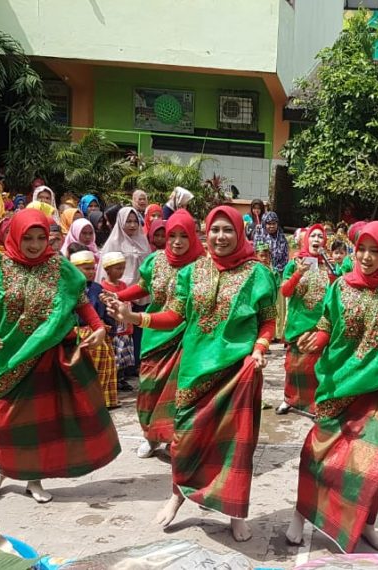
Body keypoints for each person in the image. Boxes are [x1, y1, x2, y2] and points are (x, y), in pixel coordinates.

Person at [107, 205, 274, 541]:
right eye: (215, 230)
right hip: (194, 369)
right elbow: (174, 315)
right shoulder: (192, 272)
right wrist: (136, 319)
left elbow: (267, 320)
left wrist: (259, 348)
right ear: (207, 233)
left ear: (239, 233)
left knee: (234, 447)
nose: (221, 237)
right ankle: (177, 496)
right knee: (184, 441)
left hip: (236, 372)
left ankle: (234, 511)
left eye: (228, 230)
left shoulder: (258, 274)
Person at [285, 221, 378, 553]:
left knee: (373, 461)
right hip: (338, 383)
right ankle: (300, 512)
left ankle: (367, 524)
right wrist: (316, 341)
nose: (366, 257)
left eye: (375, 250)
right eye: (362, 249)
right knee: (317, 452)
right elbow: (327, 324)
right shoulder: (341, 286)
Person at [0, 209, 118, 504]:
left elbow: (81, 304)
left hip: (49, 353)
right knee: (4, 420)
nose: (35, 244)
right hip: (7, 353)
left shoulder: (60, 268)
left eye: (41, 238)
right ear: (14, 235)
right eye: (28, 238)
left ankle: (33, 479)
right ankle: (1, 467)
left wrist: (98, 328)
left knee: (41, 421)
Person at [105, 210, 203, 459]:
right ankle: (151, 436)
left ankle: (173, 439)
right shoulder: (156, 260)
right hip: (153, 334)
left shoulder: (203, 267)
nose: (177, 242)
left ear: (193, 237)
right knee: (148, 389)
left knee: (178, 394)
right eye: (172, 236)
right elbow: (143, 287)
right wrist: (119, 295)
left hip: (184, 336)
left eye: (184, 236)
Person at [278, 224, 333, 415]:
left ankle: (315, 405)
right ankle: (288, 400)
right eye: (313, 236)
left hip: (320, 326)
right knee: (293, 367)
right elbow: (285, 291)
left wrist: (334, 273)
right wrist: (299, 272)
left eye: (321, 236)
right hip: (298, 324)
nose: (317, 239)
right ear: (306, 239)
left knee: (316, 369)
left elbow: (336, 293)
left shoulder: (329, 265)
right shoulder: (295, 263)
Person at [68, 248, 119, 408]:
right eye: (86, 268)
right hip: (79, 333)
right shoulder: (69, 289)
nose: (91, 271)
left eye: (92, 268)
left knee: (106, 365)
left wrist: (111, 328)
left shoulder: (97, 288)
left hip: (99, 332)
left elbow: (105, 312)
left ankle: (104, 400)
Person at [99, 252, 136, 389]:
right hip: (114, 326)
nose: (121, 272)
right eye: (117, 268)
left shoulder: (123, 285)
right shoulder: (103, 287)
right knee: (115, 354)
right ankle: (114, 379)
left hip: (125, 324)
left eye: (122, 268)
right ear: (107, 269)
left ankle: (121, 378)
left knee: (124, 354)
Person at [96, 207, 151, 290]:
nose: (133, 225)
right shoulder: (113, 243)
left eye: (135, 221)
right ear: (121, 221)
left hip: (141, 290)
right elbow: (104, 269)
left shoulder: (143, 242)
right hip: (119, 290)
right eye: (128, 221)